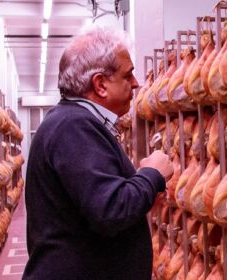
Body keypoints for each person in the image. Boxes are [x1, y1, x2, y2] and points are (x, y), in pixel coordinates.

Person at [23, 26, 174, 280]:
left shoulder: (72, 122)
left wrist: (140, 193)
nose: (136, 84)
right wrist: (152, 174)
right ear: (101, 84)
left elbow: (95, 202)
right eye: (128, 76)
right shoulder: (73, 126)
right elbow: (110, 211)